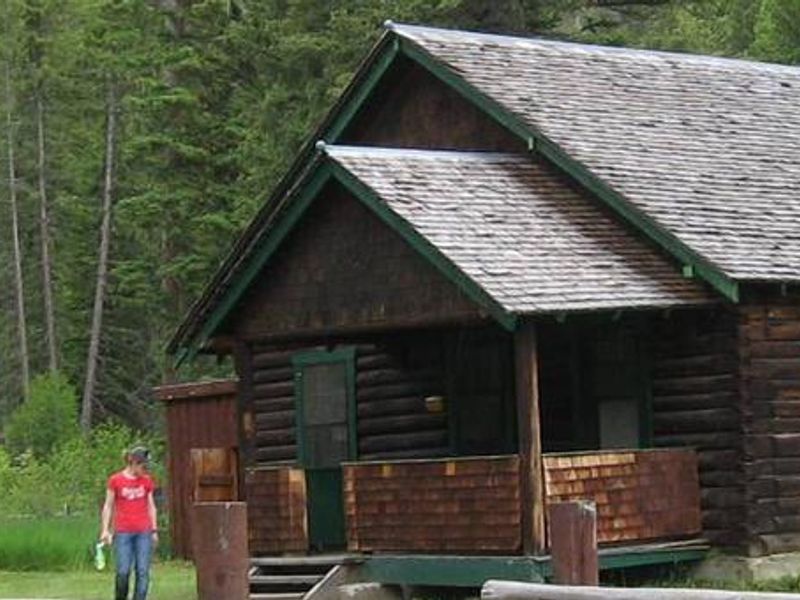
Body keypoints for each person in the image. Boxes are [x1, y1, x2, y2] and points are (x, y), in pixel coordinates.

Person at [100, 446, 158, 600]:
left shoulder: (147, 481)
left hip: (143, 532)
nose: (144, 470)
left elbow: (151, 506)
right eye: (142, 466)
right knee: (123, 571)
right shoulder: (116, 480)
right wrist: (105, 530)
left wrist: (154, 530)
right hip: (123, 532)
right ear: (133, 462)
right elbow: (108, 505)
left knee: (142, 571)